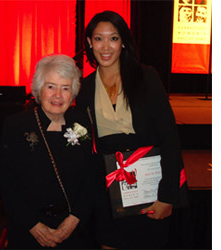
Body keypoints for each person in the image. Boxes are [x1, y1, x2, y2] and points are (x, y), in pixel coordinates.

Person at [76, 11, 188, 249]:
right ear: (89, 42)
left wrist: (167, 196)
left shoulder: (146, 77)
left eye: (113, 38)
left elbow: (169, 137)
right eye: (98, 39)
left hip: (149, 185)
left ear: (123, 41)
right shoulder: (84, 88)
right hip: (108, 189)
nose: (105, 47)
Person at [0, 54, 99, 249]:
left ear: (73, 92)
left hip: (75, 232)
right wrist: (33, 226)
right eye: (51, 86)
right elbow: (6, 182)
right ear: (39, 89)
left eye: (65, 88)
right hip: (28, 231)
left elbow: (92, 176)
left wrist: (74, 220)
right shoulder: (16, 125)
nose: (58, 95)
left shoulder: (83, 123)